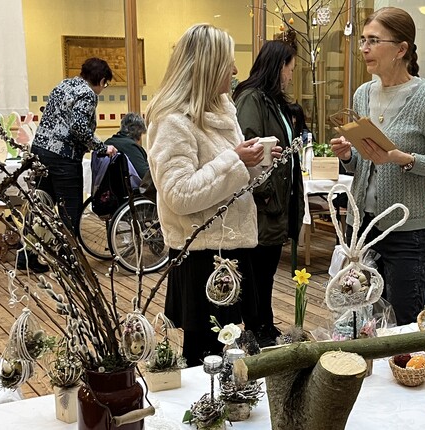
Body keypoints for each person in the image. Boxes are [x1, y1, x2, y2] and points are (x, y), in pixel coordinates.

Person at [147, 24, 282, 365]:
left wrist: (255, 164)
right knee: (204, 356)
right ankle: (205, 414)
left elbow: (228, 183)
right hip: (201, 257)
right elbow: (178, 194)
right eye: (229, 63)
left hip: (232, 248)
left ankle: (229, 411)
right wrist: (236, 159)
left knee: (230, 346)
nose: (236, 71)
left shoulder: (223, 108)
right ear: (207, 67)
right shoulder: (172, 120)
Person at [328, 7, 425, 325]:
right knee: (358, 314)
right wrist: (348, 155)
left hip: (406, 230)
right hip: (360, 226)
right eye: (363, 40)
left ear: (401, 49)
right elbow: (362, 164)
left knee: (404, 316)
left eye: (373, 40)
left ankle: (408, 374)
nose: (364, 48)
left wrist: (403, 159)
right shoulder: (362, 95)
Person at [232, 40, 305, 347]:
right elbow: (252, 149)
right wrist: (267, 195)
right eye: (290, 68)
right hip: (263, 205)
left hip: (275, 202)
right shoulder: (251, 98)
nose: (291, 75)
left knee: (266, 273)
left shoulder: (272, 100)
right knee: (257, 272)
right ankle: (257, 329)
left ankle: (264, 324)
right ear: (277, 67)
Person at [26, 58, 116, 273]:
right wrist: (100, 147)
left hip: (40, 150)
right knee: (70, 208)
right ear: (102, 80)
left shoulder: (63, 84)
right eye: (106, 84)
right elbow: (78, 126)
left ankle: (28, 255)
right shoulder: (87, 93)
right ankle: (68, 258)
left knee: (42, 204)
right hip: (63, 158)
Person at [103, 113, 149, 179]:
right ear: (138, 131)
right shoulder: (131, 147)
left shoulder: (107, 143)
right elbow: (144, 175)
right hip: (130, 188)